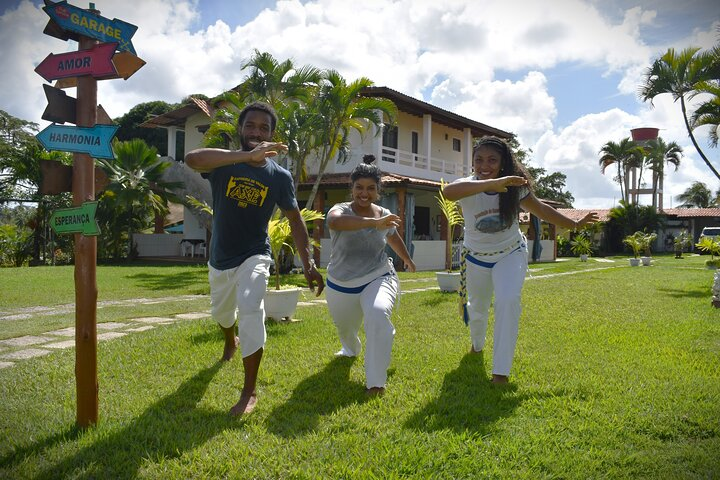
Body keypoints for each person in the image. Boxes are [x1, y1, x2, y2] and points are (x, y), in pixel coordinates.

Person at [184, 101, 324, 415]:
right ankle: (229, 339)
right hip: (220, 257)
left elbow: (296, 219)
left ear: (273, 135)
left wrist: (309, 263)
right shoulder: (225, 163)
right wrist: (247, 156)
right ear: (240, 130)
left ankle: (249, 391)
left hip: (255, 255)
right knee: (222, 314)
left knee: (250, 306)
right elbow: (193, 159)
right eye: (250, 126)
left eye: (264, 127)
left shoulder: (279, 176)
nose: (256, 132)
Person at [442, 136, 598, 384]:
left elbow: (543, 210)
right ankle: (477, 344)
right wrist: (493, 182)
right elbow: (448, 193)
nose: (485, 165)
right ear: (472, 162)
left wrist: (575, 224)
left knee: (508, 301)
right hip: (476, 259)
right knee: (478, 310)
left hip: (510, 253)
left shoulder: (515, 189)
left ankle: (500, 372)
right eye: (479, 160)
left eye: (492, 160)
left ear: (503, 162)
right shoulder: (466, 185)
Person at [325, 158, 416, 396]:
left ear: (378, 191)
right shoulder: (340, 209)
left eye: (370, 188)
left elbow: (392, 237)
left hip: (378, 275)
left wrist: (406, 258)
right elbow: (335, 222)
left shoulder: (384, 214)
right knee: (346, 329)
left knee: (377, 315)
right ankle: (350, 349)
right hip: (340, 282)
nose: (364, 193)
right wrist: (373, 223)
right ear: (352, 188)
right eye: (359, 187)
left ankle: (376, 383)